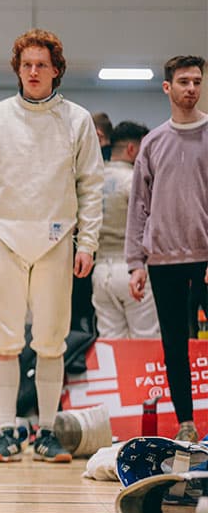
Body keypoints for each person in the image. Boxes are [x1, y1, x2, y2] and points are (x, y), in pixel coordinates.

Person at [0, 29, 103, 463]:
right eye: (27, 65)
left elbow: (91, 186)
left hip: (56, 239)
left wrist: (88, 243)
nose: (34, 72)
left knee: (51, 341)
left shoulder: (76, 120)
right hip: (3, 236)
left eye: (42, 64)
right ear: (18, 70)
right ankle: (6, 430)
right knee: (3, 340)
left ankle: (46, 432)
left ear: (56, 70)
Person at [126, 55, 208, 443]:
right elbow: (138, 207)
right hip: (163, 261)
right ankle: (186, 423)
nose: (191, 88)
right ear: (167, 88)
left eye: (196, 81)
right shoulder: (153, 142)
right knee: (174, 344)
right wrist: (135, 263)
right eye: (184, 82)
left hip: (205, 258)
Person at [92, 121, 159, 339]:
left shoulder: (94, 179)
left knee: (111, 344)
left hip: (101, 271)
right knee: (145, 340)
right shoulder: (134, 180)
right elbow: (152, 223)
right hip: (133, 269)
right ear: (132, 149)